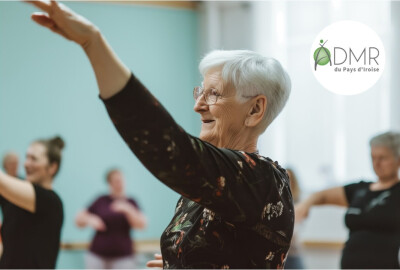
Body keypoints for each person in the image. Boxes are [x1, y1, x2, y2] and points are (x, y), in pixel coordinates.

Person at [26, 1, 294, 268]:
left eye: (214, 93)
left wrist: (92, 43)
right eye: (200, 92)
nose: (198, 105)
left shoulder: (263, 182)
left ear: (255, 109)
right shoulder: (208, 187)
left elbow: (170, 149)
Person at [296, 131, 400, 269]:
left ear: (397, 159)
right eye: (373, 157)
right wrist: (305, 204)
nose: (376, 163)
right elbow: (322, 196)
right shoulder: (359, 189)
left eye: (382, 158)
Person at [0, 136, 65, 268]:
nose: (26, 163)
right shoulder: (14, 202)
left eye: (33, 159)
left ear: (52, 167)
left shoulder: (50, 201)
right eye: (27, 157)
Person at [75, 169, 147, 269]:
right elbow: (78, 219)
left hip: (124, 258)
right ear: (109, 183)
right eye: (116, 181)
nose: (119, 183)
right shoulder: (101, 200)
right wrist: (90, 219)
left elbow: (142, 225)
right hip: (97, 256)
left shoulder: (131, 202)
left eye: (121, 180)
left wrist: (128, 210)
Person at [284, 168, 305, 269]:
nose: (286, 180)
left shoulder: (299, 203)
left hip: (293, 253)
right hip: (280, 253)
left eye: (289, 178)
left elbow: (293, 230)